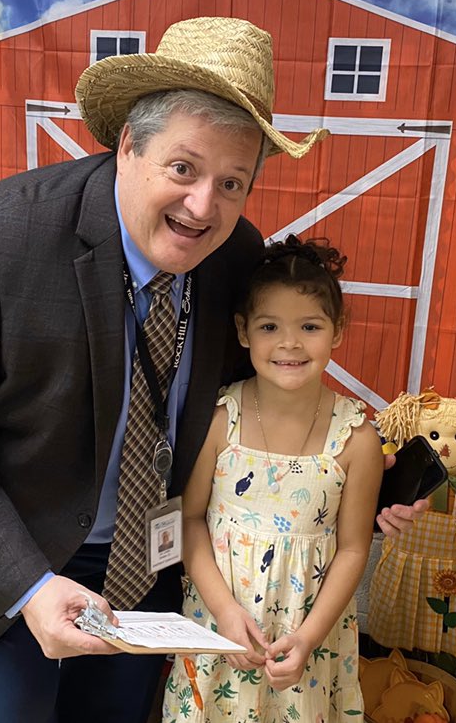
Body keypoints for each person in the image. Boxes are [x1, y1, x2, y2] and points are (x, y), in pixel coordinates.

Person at [0, 16, 423, 723]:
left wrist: (366, 487)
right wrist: (31, 586)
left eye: (232, 183)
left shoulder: (235, 257)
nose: (201, 207)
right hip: (5, 564)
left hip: (144, 566)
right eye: (183, 169)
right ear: (129, 144)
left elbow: (268, 391)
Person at [161, 236, 382, 722]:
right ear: (243, 332)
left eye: (309, 326)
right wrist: (224, 613)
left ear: (337, 330)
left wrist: (307, 637)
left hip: (308, 646)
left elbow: (352, 548)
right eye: (269, 326)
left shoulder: (356, 439)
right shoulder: (221, 419)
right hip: (219, 633)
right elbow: (190, 519)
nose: (289, 343)